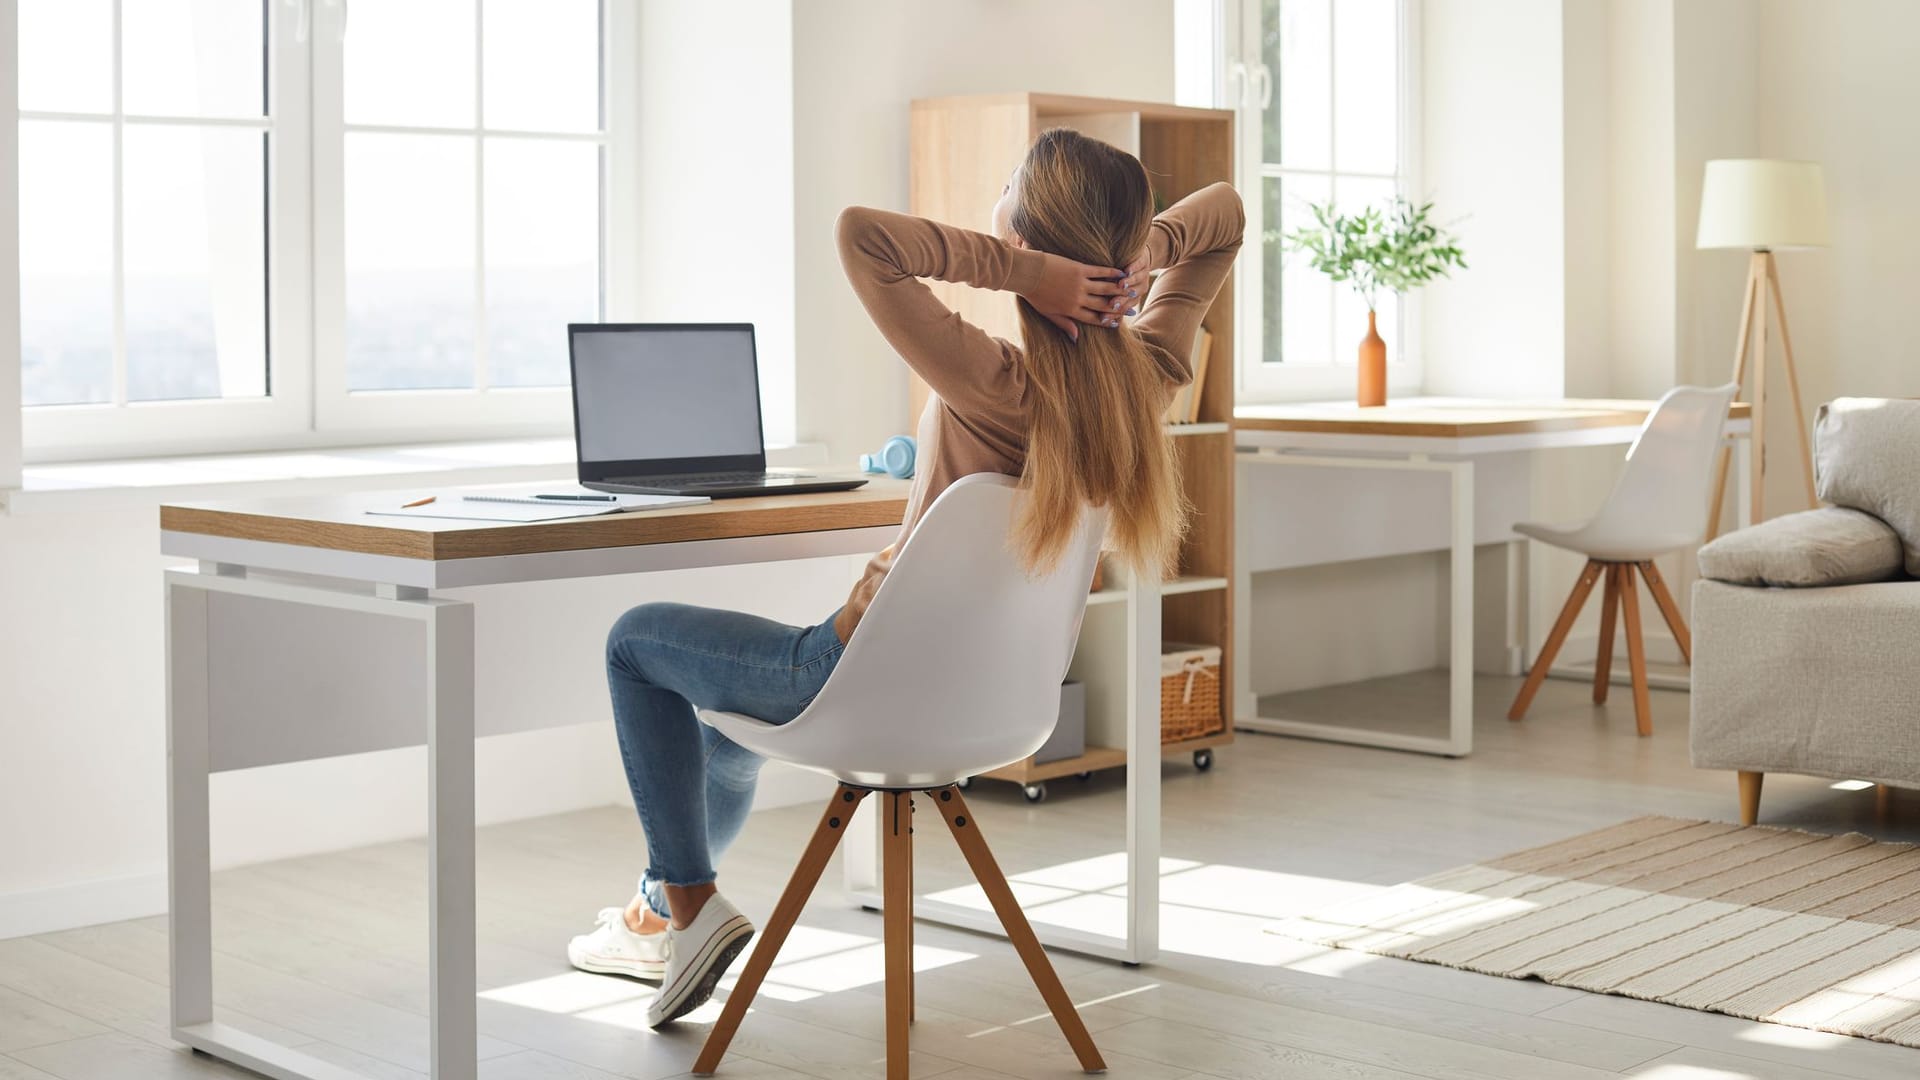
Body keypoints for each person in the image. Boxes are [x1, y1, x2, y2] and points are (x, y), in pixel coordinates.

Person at [566, 128, 1244, 1026]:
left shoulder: (998, 382)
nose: (997, 195)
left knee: (633, 643)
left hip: (855, 679)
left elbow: (862, 238)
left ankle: (689, 910)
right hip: (988, 707)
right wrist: (1133, 260)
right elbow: (1225, 217)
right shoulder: (1149, 378)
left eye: (1007, 187)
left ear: (1029, 234)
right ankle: (655, 912)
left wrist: (1027, 271)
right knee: (727, 735)